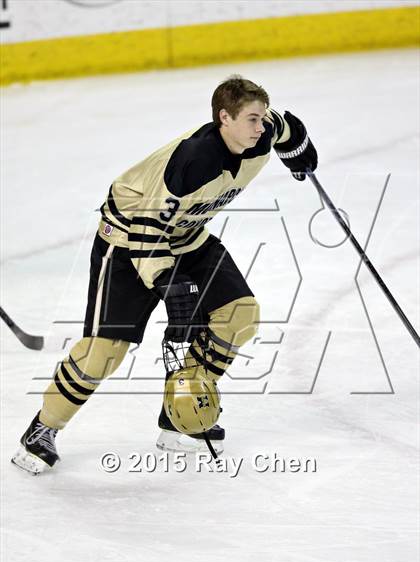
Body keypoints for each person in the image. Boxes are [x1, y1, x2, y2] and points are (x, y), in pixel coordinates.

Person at [11, 75, 317, 474]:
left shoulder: (262, 131)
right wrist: (166, 282)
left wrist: (298, 147)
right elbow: (146, 228)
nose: (261, 128)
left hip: (185, 236)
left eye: (261, 120)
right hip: (127, 241)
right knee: (105, 351)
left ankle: (180, 414)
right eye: (252, 120)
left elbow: (283, 125)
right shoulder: (195, 161)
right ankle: (42, 430)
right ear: (224, 118)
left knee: (239, 314)